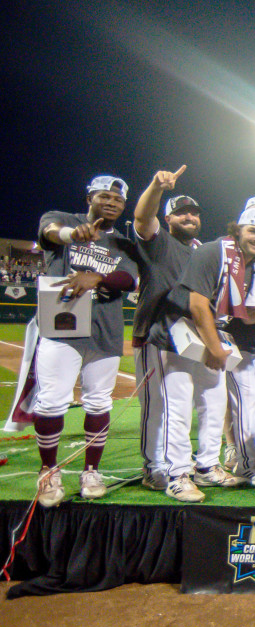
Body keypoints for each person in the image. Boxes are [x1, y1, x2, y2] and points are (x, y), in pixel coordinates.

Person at [144, 206, 255, 502]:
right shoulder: (212, 251)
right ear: (237, 230)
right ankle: (177, 474)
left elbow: (241, 317)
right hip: (176, 332)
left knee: (215, 403)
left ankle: (206, 466)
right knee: (177, 406)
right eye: (252, 230)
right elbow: (196, 304)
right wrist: (215, 348)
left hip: (210, 332)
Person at [29, 176, 140, 507]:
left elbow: (129, 278)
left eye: (118, 200)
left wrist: (98, 278)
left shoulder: (123, 243)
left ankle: (91, 470)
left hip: (105, 330)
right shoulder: (64, 220)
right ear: (89, 196)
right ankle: (48, 471)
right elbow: (50, 232)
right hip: (61, 326)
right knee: (50, 402)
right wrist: (71, 235)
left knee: (99, 402)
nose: (111, 202)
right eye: (104, 196)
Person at [129, 166, 203, 491]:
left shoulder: (200, 251)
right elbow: (143, 218)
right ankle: (154, 466)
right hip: (155, 335)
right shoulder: (158, 243)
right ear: (169, 219)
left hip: (188, 340)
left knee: (180, 404)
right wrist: (156, 188)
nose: (189, 217)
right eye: (181, 212)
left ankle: (176, 464)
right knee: (156, 406)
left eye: (194, 213)